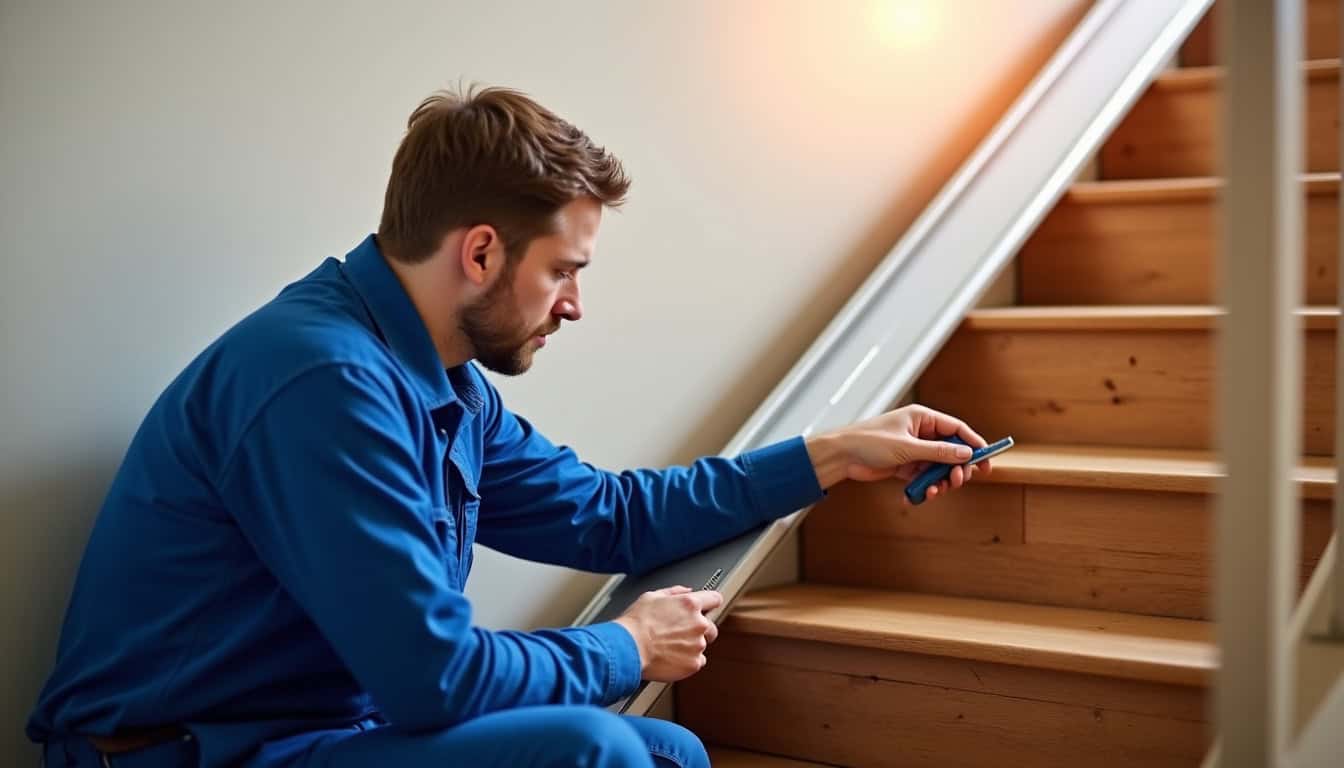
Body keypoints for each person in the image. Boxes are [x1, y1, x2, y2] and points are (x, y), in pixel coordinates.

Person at [28, 86, 990, 768]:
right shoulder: (321, 380)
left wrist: (833, 453)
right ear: (482, 252)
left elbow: (610, 517)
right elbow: (432, 680)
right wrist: (625, 645)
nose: (574, 305)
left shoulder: (438, 380)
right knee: (593, 748)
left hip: (317, 734)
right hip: (190, 754)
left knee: (665, 750)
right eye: (564, 270)